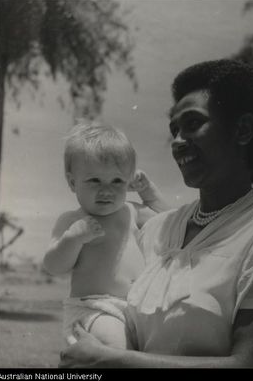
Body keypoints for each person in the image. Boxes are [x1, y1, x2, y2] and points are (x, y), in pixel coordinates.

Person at [59, 59, 253, 368]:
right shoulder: (158, 228)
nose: (177, 141)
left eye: (193, 124)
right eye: (174, 129)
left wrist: (113, 360)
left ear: (243, 129)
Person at [43, 121, 170, 349]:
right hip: (95, 309)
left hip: (139, 309)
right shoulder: (73, 220)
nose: (106, 190)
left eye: (117, 181)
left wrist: (148, 191)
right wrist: (73, 238)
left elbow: (168, 219)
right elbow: (53, 266)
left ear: (128, 182)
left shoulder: (131, 211)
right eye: (94, 180)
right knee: (116, 346)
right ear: (73, 183)